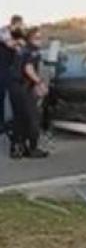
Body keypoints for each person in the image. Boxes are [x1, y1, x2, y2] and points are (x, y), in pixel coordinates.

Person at [8, 27, 49, 159]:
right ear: (31, 39)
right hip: (23, 88)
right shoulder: (33, 51)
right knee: (33, 118)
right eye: (38, 37)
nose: (40, 40)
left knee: (19, 118)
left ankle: (16, 148)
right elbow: (28, 68)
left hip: (14, 87)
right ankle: (32, 149)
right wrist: (39, 82)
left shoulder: (23, 49)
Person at [0, 15, 25, 136]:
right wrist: (18, 43)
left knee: (12, 95)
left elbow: (21, 49)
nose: (21, 28)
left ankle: (11, 122)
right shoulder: (4, 31)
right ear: (14, 24)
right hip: (1, 67)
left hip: (10, 69)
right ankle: (1, 124)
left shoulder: (19, 34)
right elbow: (9, 43)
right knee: (1, 95)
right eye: (19, 25)